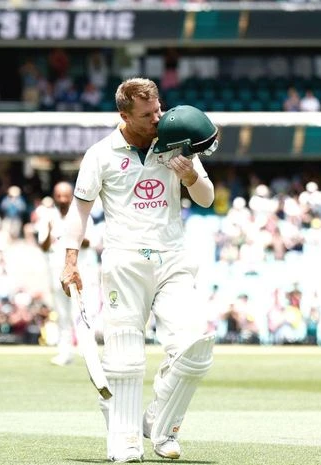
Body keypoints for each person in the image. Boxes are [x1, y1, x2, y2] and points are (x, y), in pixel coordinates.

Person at [59, 80, 217, 463]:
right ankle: (126, 440)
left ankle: (159, 423)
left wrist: (190, 176)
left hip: (174, 258)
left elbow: (207, 198)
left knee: (196, 347)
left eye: (158, 109)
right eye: (147, 115)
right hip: (125, 260)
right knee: (125, 355)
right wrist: (69, 261)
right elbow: (79, 210)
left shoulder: (177, 141)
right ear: (124, 115)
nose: (157, 118)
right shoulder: (100, 154)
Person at [36, 182, 100, 366]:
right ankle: (65, 353)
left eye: (66, 196)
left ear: (71, 196)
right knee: (62, 314)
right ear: (54, 197)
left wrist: (72, 235)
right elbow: (43, 246)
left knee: (82, 312)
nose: (62, 199)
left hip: (80, 271)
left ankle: (88, 350)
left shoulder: (81, 213)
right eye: (59, 196)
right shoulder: (47, 216)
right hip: (56, 271)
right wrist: (49, 230)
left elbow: (91, 243)